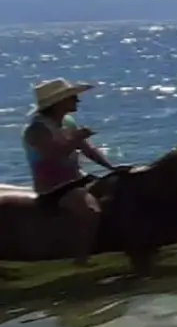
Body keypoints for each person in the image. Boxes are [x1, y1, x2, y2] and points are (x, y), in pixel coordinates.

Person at [23, 78, 114, 237]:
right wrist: (76, 139)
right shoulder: (37, 129)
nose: (77, 100)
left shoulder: (68, 122)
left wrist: (112, 168)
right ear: (58, 103)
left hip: (77, 179)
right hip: (53, 187)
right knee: (90, 211)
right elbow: (53, 156)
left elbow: (88, 149)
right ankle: (81, 257)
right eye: (72, 97)